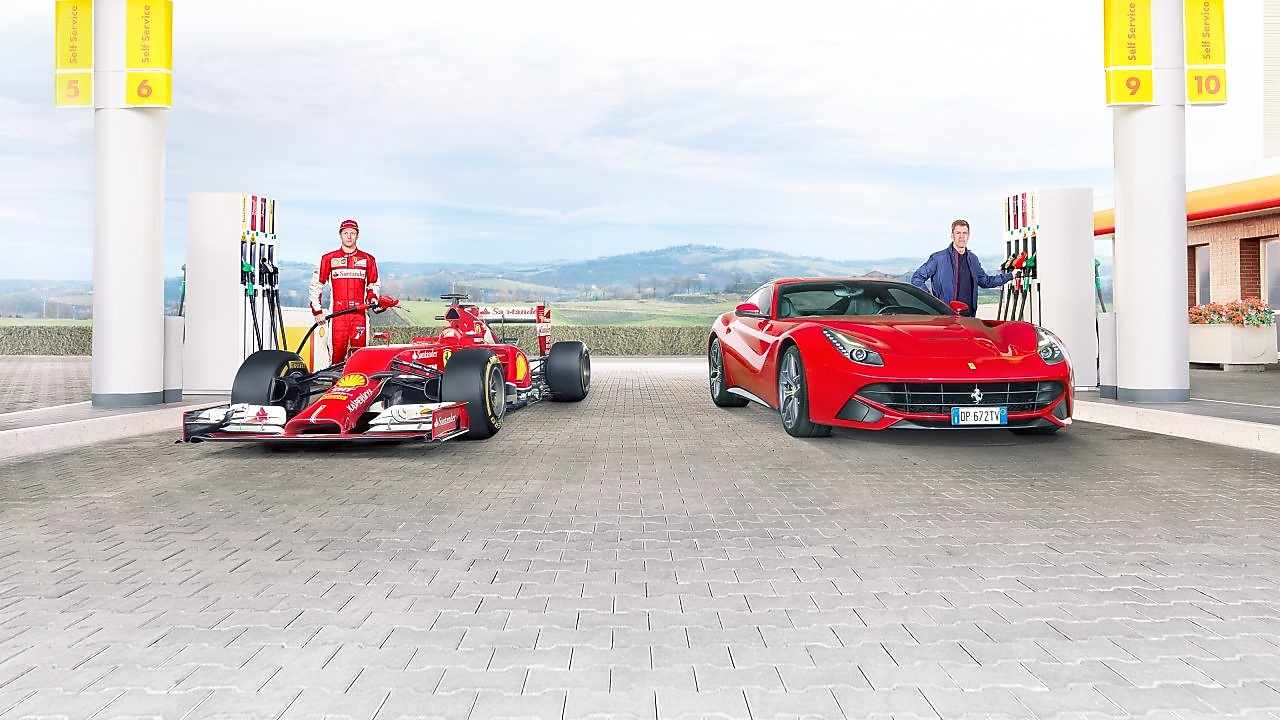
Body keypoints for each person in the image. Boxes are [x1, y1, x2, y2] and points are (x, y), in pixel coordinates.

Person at [910, 219, 1018, 317]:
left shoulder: (973, 259)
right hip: (945, 316)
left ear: (968, 236)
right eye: (958, 233)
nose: (961, 236)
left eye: (964, 233)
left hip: (968, 317)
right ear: (952, 236)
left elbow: (986, 281)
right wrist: (932, 300)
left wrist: (1011, 275)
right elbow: (917, 278)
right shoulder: (938, 258)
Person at [309, 218, 380, 365]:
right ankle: (335, 386)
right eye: (345, 233)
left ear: (357, 236)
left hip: (359, 315)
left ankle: (359, 386)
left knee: (359, 356)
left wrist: (373, 297)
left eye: (352, 233)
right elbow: (316, 285)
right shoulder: (328, 258)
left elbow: (373, 284)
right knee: (336, 357)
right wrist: (317, 311)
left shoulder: (368, 259)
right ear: (340, 235)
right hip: (337, 316)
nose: (349, 236)